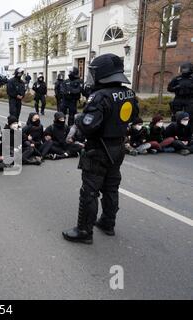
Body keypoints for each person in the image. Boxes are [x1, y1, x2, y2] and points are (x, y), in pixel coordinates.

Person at [62, 53, 139, 244]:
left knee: (89, 191)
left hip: (98, 149)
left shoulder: (100, 96)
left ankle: (84, 231)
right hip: (118, 147)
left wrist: (79, 119)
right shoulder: (129, 93)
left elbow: (89, 126)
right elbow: (134, 116)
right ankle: (108, 222)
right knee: (111, 187)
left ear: (103, 73)